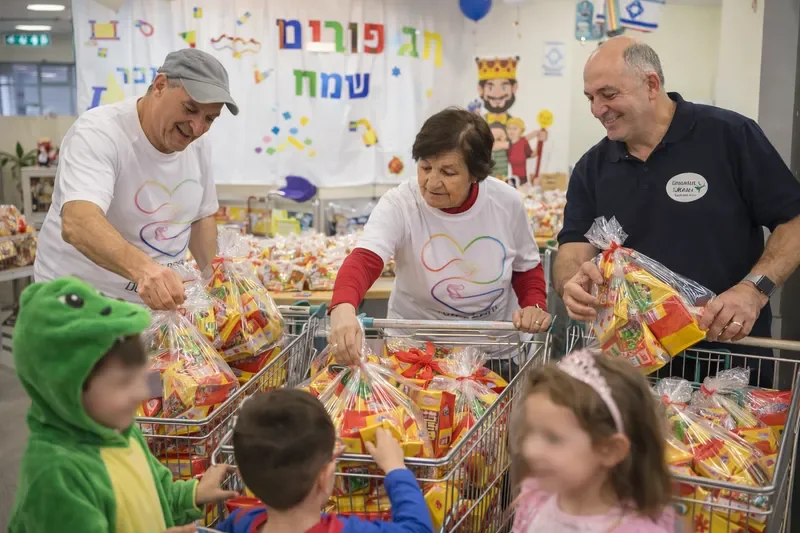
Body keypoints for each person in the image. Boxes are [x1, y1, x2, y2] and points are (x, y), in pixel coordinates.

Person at [555, 37, 800, 382]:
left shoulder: (730, 136)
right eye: (590, 98)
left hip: (729, 362)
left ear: (651, 84)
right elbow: (573, 248)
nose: (597, 109)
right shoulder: (591, 168)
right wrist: (571, 283)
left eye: (608, 95)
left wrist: (753, 290)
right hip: (632, 368)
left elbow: (793, 220)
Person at [328, 108, 552, 374]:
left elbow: (525, 267)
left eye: (448, 172)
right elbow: (365, 259)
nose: (432, 182)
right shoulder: (401, 203)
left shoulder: (506, 202)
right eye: (425, 168)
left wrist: (534, 305)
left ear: (475, 174)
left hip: (492, 353)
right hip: (415, 353)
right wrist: (343, 309)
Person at [8, 277, 236, 532]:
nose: (141, 393)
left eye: (141, 377)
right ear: (65, 388)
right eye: (123, 383)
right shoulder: (56, 475)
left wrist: (194, 494)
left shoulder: (124, 434)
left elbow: (157, 496)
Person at [34, 48, 239, 311]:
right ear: (160, 86)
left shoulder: (197, 145)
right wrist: (144, 270)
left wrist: (219, 284)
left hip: (155, 308)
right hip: (79, 304)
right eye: (190, 108)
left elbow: (201, 217)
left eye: (210, 118)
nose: (197, 128)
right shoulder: (99, 132)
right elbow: (79, 221)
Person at [216, 388, 434, 533]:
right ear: (326, 476)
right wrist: (396, 469)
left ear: (243, 476)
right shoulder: (347, 530)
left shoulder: (240, 522)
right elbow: (417, 528)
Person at [511, 350, 678, 532]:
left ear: (609, 450)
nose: (530, 450)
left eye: (553, 438)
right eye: (530, 431)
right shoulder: (536, 499)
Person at [505, 118, 547, 186]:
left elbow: (533, 154)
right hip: (510, 179)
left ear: (521, 130)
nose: (511, 131)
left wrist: (539, 142)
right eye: (509, 128)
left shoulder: (523, 142)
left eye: (515, 129)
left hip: (524, 179)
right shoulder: (505, 145)